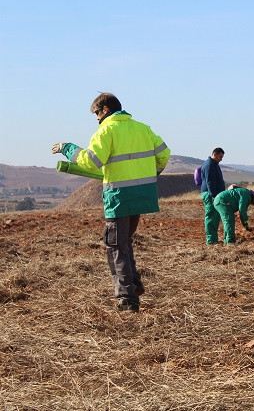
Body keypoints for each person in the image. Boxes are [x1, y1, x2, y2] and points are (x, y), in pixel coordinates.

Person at [51, 92, 170, 312]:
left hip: (119, 197)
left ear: (105, 110)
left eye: (96, 113)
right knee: (124, 241)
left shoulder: (105, 131)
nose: (96, 118)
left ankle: (127, 299)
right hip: (141, 195)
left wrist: (68, 149)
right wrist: (151, 174)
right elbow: (164, 154)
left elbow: (92, 162)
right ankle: (133, 283)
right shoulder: (142, 128)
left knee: (115, 244)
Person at [200, 147, 226, 245]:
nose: (221, 159)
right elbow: (210, 181)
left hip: (214, 193)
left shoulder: (214, 164)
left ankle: (213, 239)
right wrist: (214, 195)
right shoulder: (209, 165)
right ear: (214, 154)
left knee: (215, 216)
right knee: (211, 216)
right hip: (210, 194)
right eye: (220, 157)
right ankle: (211, 240)